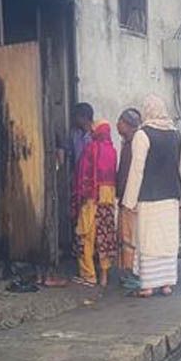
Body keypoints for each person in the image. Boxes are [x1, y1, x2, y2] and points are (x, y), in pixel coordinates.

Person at [122, 94, 181, 298]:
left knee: (147, 240)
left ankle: (148, 285)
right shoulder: (176, 134)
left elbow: (137, 169)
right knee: (167, 240)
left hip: (149, 197)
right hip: (171, 197)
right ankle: (166, 284)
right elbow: (180, 167)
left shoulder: (143, 135)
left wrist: (129, 201)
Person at [71, 121, 119, 287]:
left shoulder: (92, 148)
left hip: (92, 197)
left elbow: (83, 173)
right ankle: (104, 275)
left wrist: (79, 197)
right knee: (104, 235)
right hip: (108, 199)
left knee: (85, 234)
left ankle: (89, 274)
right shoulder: (113, 151)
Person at [116, 108, 143, 289]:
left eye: (120, 122)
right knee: (126, 236)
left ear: (127, 125)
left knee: (129, 237)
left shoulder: (135, 144)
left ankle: (131, 272)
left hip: (131, 198)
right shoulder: (127, 143)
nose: (118, 125)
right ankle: (127, 270)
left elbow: (131, 174)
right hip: (126, 197)